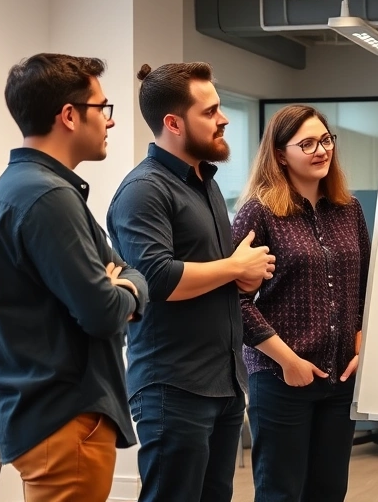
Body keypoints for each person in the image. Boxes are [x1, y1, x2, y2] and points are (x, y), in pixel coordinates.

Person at [0, 53, 148, 502]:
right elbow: (104, 310)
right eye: (102, 108)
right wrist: (125, 289)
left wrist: (122, 281)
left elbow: (123, 270)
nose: (109, 122)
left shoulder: (21, 189)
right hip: (66, 418)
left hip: (48, 416)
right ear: (69, 115)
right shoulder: (47, 197)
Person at [106, 62, 275, 502]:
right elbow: (157, 278)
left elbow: (209, 273)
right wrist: (236, 268)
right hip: (173, 386)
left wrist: (241, 278)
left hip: (221, 381)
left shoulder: (205, 182)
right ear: (173, 123)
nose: (223, 119)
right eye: (211, 111)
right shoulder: (144, 190)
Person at [231, 104, 370, 502]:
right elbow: (234, 301)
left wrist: (362, 341)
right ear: (279, 154)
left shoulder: (349, 210)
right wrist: (287, 360)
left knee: (329, 491)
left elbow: (364, 289)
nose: (321, 150)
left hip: (341, 377)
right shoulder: (258, 213)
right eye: (306, 143)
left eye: (325, 140)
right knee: (281, 492)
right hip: (281, 379)